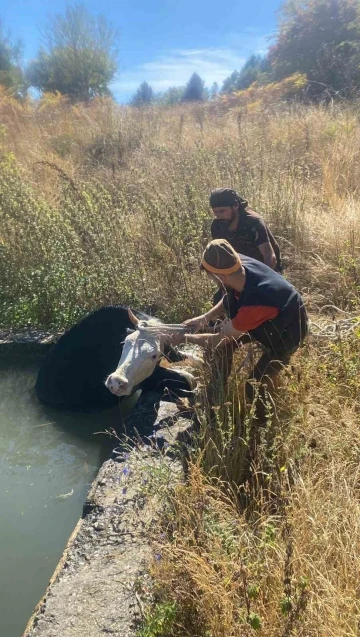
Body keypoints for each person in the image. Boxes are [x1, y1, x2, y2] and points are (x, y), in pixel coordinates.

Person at [172, 239, 308, 419]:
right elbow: (230, 294)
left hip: (287, 331)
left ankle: (263, 424)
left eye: (212, 278)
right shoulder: (236, 264)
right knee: (223, 349)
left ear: (221, 277)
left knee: (255, 384)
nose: (213, 281)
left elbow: (218, 338)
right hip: (264, 318)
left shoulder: (255, 304)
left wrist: (183, 339)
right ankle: (215, 398)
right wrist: (205, 318)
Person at [210, 187, 282, 273]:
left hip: (266, 270)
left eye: (222, 211)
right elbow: (221, 255)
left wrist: (261, 280)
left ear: (235, 206)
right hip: (240, 271)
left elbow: (270, 257)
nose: (218, 216)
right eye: (215, 212)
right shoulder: (216, 226)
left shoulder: (253, 222)